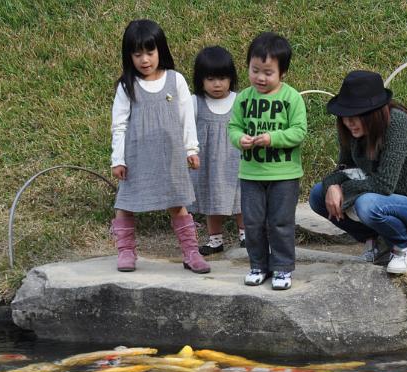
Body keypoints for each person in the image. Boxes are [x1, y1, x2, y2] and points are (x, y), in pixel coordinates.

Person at [308, 70, 407, 274]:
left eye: (355, 116)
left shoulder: (397, 124)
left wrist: (342, 188)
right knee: (318, 195)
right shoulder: (351, 130)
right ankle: (376, 242)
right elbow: (345, 168)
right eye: (345, 116)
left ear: (372, 113)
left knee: (367, 204)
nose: (348, 122)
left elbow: (383, 184)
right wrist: (331, 185)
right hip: (389, 202)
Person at [109, 19, 210, 274]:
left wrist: (191, 149)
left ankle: (190, 252)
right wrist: (118, 159)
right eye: (137, 54)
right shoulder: (126, 86)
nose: (145, 59)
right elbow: (119, 125)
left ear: (160, 51)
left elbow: (187, 117)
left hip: (170, 156)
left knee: (177, 202)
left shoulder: (175, 80)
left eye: (150, 52)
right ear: (129, 56)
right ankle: (126, 252)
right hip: (137, 157)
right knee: (126, 204)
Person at [227, 32, 307, 290]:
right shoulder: (243, 99)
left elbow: (299, 131)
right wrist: (241, 140)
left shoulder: (291, 98)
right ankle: (258, 265)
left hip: (284, 174)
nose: (260, 77)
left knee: (280, 222)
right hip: (251, 174)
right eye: (255, 70)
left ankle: (282, 268)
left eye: (268, 72)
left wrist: (272, 138)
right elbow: (233, 128)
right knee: (253, 223)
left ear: (282, 73)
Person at [188, 46, 245, 256]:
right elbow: (185, 128)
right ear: (200, 79)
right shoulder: (195, 103)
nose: (217, 84)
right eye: (211, 79)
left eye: (222, 78)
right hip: (208, 163)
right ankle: (215, 240)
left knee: (241, 199)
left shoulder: (240, 100)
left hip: (235, 160)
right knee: (211, 199)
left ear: (231, 78)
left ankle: (245, 236)